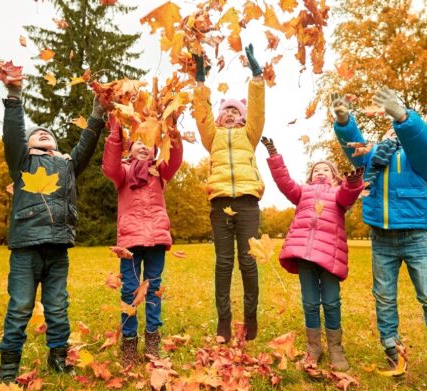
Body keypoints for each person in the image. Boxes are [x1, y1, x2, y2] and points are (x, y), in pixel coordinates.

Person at [332, 87, 427, 387]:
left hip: (415, 237)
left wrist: (402, 116)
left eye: (397, 127)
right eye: (389, 127)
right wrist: (345, 121)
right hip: (381, 239)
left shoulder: (418, 159)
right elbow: (353, 147)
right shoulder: (372, 157)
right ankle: (392, 348)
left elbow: (426, 142)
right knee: (384, 298)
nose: (392, 131)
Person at [0, 82, 106, 383]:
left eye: (49, 134)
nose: (43, 132)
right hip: (26, 247)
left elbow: (86, 144)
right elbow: (13, 135)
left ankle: (58, 357)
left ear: (57, 146)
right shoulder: (22, 162)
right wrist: (14, 97)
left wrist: (97, 112)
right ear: (28, 144)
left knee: (58, 306)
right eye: (37, 133)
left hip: (58, 247)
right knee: (20, 305)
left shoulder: (67, 165)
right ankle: (8, 367)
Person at [261, 137, 365, 369]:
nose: (320, 172)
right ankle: (314, 347)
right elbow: (284, 182)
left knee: (331, 302)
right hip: (305, 256)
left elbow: (349, 194)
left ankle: (336, 348)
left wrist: (353, 182)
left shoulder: (338, 193)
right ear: (309, 176)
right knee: (310, 303)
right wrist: (274, 155)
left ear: (335, 176)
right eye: (316, 169)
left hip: (329, 258)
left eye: (326, 169)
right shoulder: (302, 192)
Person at [191, 44, 265, 343]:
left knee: (247, 261)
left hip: (247, 202)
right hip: (220, 202)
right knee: (224, 262)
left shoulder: (250, 134)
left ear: (243, 117)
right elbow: (202, 116)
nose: (231, 114)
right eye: (227, 111)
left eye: (237, 111)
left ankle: (250, 318)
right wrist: (200, 83)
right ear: (220, 118)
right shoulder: (213, 137)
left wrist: (257, 76)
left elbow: (258, 110)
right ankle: (224, 321)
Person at [102, 116, 183, 366]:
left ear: (155, 149)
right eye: (137, 142)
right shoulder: (123, 173)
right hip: (130, 240)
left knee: (154, 289)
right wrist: (116, 130)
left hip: (157, 238)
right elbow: (109, 165)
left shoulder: (159, 172)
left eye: (148, 141)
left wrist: (172, 130)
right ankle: (129, 341)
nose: (143, 146)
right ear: (129, 148)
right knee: (129, 290)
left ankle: (152, 340)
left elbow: (175, 159)